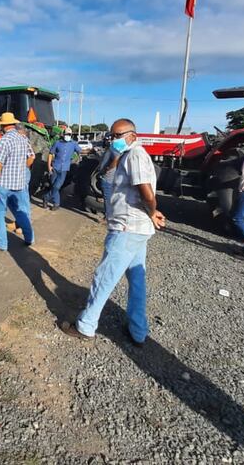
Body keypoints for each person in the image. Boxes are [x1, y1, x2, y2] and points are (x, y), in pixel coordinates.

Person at [62, 119, 165, 345]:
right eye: (112, 135)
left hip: (127, 228)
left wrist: (153, 210)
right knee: (136, 277)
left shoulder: (136, 155)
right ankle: (138, 330)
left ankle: (86, 326)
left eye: (119, 135)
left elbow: (145, 191)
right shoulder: (127, 156)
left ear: (133, 136)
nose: (114, 139)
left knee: (104, 277)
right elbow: (108, 178)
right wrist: (116, 154)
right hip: (136, 227)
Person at [0, 112, 35, 251]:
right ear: (13, 124)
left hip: (3, 184)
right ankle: (29, 238)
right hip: (19, 183)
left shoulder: (4, 140)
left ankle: (1, 243)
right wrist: (22, 167)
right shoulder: (23, 138)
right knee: (20, 212)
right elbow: (32, 156)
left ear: (2, 125)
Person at [45, 129, 82, 210]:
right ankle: (55, 203)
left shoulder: (73, 144)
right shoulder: (57, 143)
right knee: (53, 185)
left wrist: (88, 152)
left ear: (71, 135)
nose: (68, 136)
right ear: (63, 134)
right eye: (66, 134)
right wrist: (49, 167)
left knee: (57, 186)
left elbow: (80, 151)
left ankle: (47, 198)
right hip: (55, 168)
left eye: (69, 134)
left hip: (64, 169)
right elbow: (50, 154)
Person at [97, 146, 121, 221]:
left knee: (107, 198)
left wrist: (108, 169)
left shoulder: (112, 149)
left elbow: (116, 159)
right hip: (113, 178)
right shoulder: (119, 150)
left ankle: (108, 216)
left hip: (108, 178)